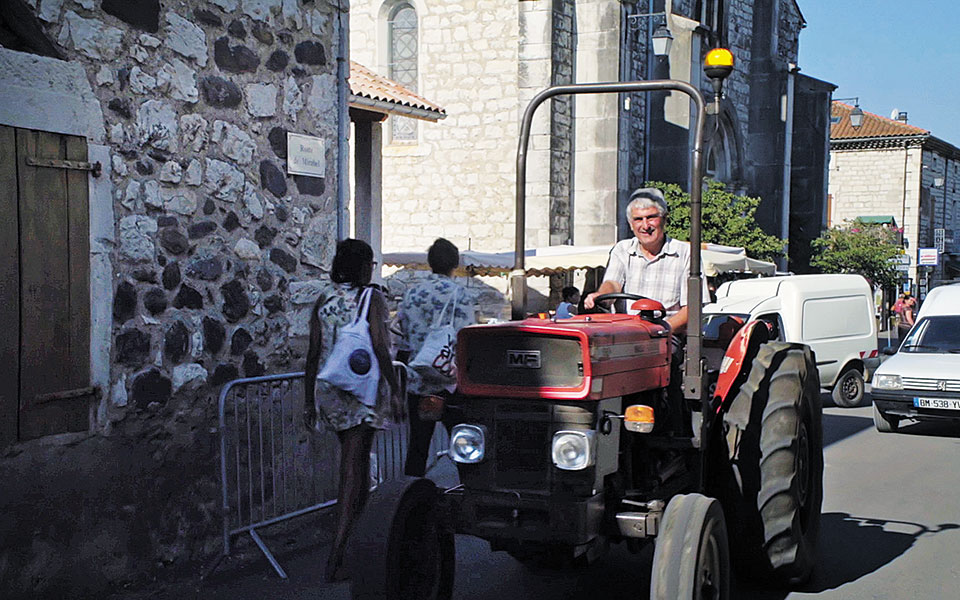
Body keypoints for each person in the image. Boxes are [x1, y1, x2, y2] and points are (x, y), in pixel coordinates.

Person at [303, 239, 401, 583]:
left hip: (329, 387)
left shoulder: (323, 298)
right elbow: (380, 345)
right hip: (361, 389)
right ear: (363, 267)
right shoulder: (371, 297)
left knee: (354, 465)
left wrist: (308, 399)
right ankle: (339, 553)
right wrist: (396, 389)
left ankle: (350, 545)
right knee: (353, 470)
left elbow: (313, 351)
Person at [397, 238, 476, 477]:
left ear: (430, 262)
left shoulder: (412, 294)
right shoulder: (460, 295)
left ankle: (412, 493)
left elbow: (403, 333)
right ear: (455, 264)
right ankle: (466, 490)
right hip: (450, 382)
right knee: (464, 445)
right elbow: (467, 337)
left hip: (418, 380)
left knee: (418, 447)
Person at [583, 187, 707, 333]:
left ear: (664, 219)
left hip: (667, 334)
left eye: (651, 217)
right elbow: (613, 283)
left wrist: (660, 330)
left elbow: (692, 308)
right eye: (638, 219)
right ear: (631, 224)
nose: (645, 226)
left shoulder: (686, 253)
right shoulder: (622, 250)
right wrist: (601, 296)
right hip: (625, 333)